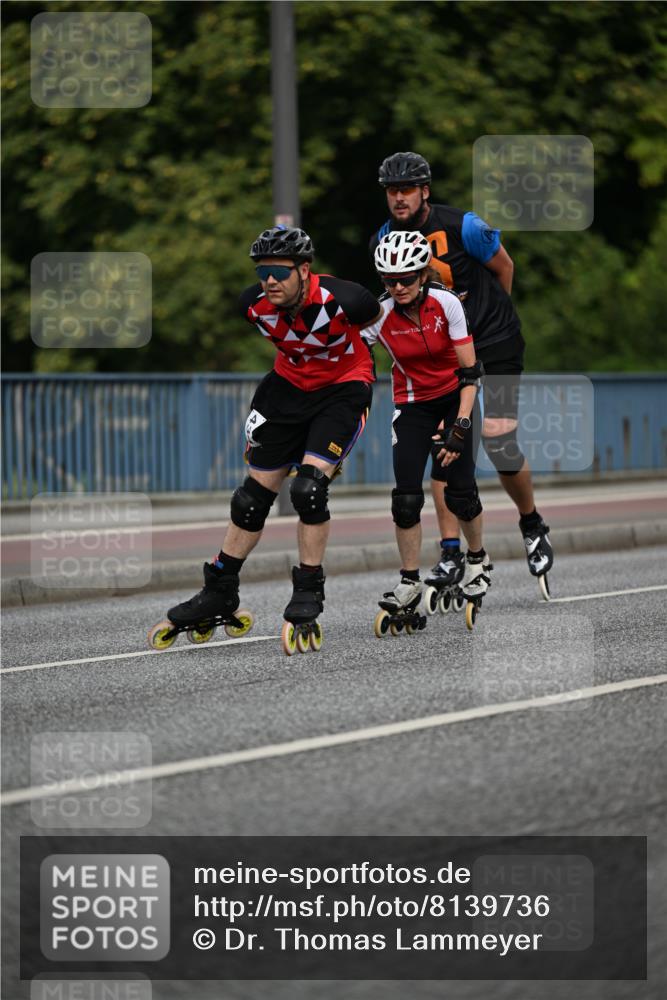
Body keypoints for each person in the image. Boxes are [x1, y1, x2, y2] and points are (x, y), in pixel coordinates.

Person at [163, 225, 381, 651]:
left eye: (280, 272)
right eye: (263, 272)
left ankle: (308, 590)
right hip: (285, 390)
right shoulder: (252, 305)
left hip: (342, 389)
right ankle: (220, 588)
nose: (270, 281)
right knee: (250, 499)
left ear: (304, 269)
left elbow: (380, 325)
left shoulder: (347, 299)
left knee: (308, 491)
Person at [369, 152, 553, 593]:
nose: (399, 198)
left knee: (499, 440)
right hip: (444, 351)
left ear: (424, 191)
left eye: (407, 190)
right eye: (392, 191)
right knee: (444, 447)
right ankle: (451, 551)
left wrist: (488, 318)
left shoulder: (463, 225)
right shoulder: (384, 238)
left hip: (495, 340)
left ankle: (531, 523)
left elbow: (504, 267)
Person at [362, 230, 491, 620]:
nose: (398, 287)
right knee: (405, 500)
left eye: (405, 279)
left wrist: (460, 426)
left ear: (422, 275)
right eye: (389, 281)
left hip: (456, 397)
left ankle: (477, 559)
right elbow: (350, 360)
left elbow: (470, 373)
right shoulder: (380, 314)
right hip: (413, 404)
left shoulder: (446, 303)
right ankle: (408, 581)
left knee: (460, 493)